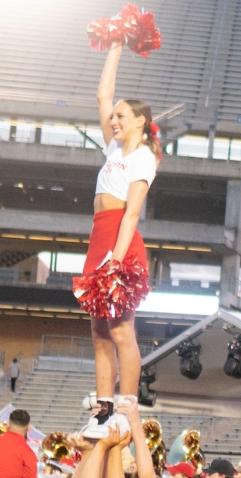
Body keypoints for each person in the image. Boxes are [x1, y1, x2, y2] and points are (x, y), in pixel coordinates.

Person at [79, 37, 162, 439]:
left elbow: (132, 212)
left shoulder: (144, 156)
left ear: (141, 121)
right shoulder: (113, 146)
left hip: (120, 241)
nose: (114, 121)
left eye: (122, 116)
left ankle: (126, 408)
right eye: (113, 117)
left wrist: (116, 257)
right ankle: (102, 410)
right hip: (99, 238)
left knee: (121, 331)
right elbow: (102, 93)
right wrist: (115, 44)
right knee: (98, 333)